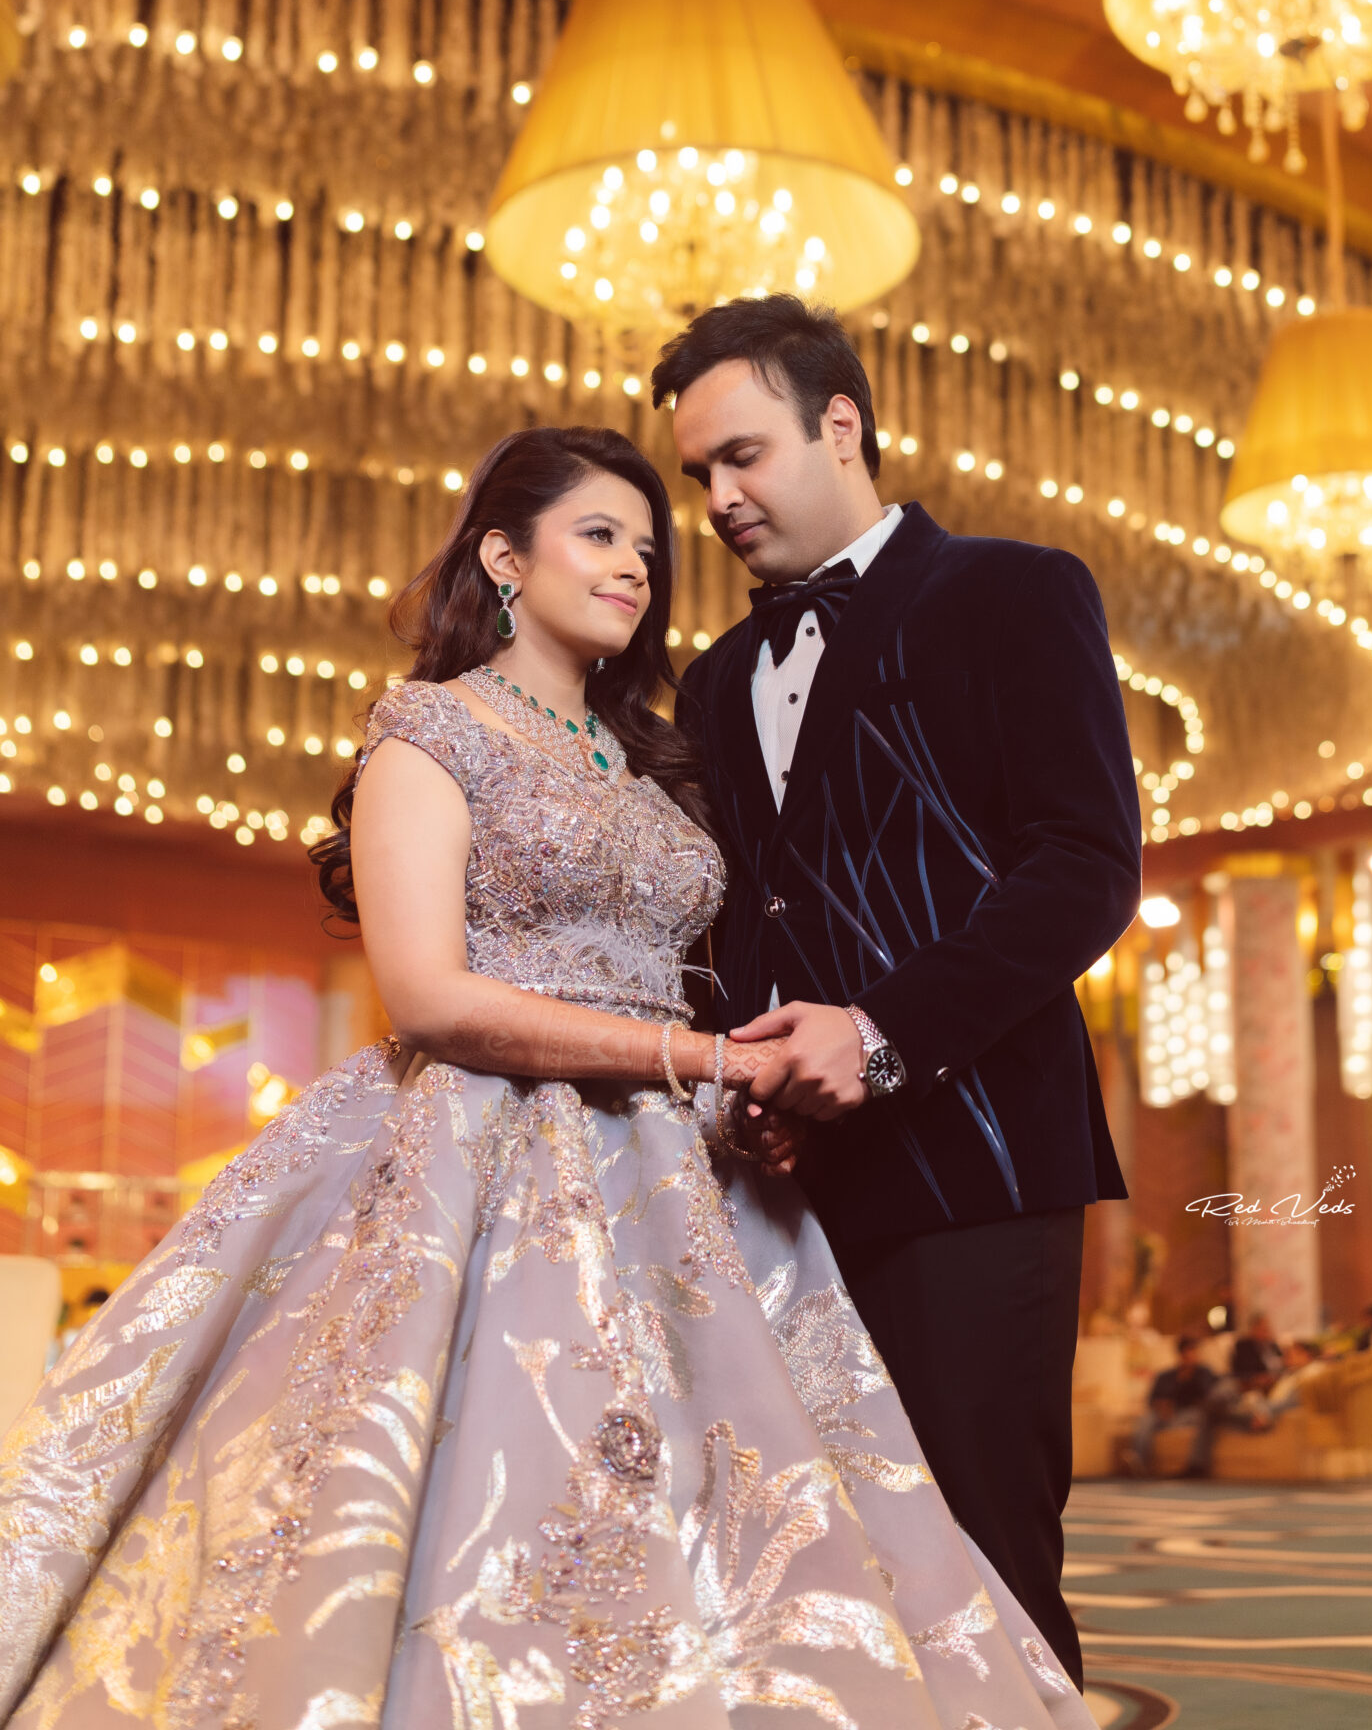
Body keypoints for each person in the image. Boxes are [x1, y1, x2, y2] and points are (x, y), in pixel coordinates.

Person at [0, 427, 1090, 1730]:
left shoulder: (659, 761)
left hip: (694, 1179)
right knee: (502, 1491)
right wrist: (692, 1056)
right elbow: (430, 997)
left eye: (648, 545)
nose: (636, 565)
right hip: (481, 1154)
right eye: (599, 535)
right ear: (505, 558)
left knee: (748, 1513)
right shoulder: (430, 728)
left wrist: (747, 1090)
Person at [655, 296, 1143, 1686]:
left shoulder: (1012, 589)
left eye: (742, 455)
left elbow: (1084, 867)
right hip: (780, 1192)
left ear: (844, 424)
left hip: (976, 1163)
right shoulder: (714, 678)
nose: (720, 498)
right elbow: (742, 912)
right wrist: (747, 1080)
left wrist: (878, 1035)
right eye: (699, 476)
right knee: (813, 1584)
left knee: (983, 1569)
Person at [1132, 1335, 1218, 1475]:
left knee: (1197, 1416)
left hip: (1187, 1414)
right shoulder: (1165, 1376)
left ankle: (1195, 1466)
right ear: (1181, 1354)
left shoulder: (1204, 1373)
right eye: (1189, 1352)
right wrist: (1163, 1406)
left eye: (1194, 1351)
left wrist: (1189, 1379)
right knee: (1145, 1420)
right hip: (1162, 1414)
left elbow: (1207, 1397)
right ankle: (1138, 1462)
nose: (1192, 1356)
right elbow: (1152, 1399)